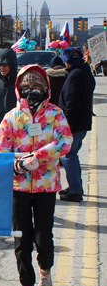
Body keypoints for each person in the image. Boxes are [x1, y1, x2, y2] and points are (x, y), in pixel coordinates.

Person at [0, 64, 72, 286]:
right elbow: (1, 151)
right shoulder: (12, 117)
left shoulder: (55, 114)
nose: (32, 90)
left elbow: (66, 140)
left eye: (37, 85)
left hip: (46, 186)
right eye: (27, 86)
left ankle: (45, 270)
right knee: (22, 239)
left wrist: (39, 156)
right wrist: (17, 165)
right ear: (19, 89)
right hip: (18, 187)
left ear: (46, 88)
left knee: (43, 238)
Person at [58, 47, 95, 202]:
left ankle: (75, 190)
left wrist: (66, 126)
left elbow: (72, 103)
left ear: (67, 61)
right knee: (72, 156)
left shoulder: (75, 75)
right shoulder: (86, 72)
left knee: (68, 156)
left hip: (74, 124)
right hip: (82, 123)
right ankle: (75, 186)